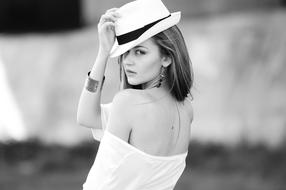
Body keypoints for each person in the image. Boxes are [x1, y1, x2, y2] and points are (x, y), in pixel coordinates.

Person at [77, 0, 194, 189]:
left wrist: (102, 54)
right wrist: (103, 52)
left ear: (166, 57)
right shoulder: (186, 109)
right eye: (125, 52)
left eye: (140, 52)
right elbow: (86, 117)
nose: (127, 62)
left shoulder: (129, 103)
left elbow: (100, 183)